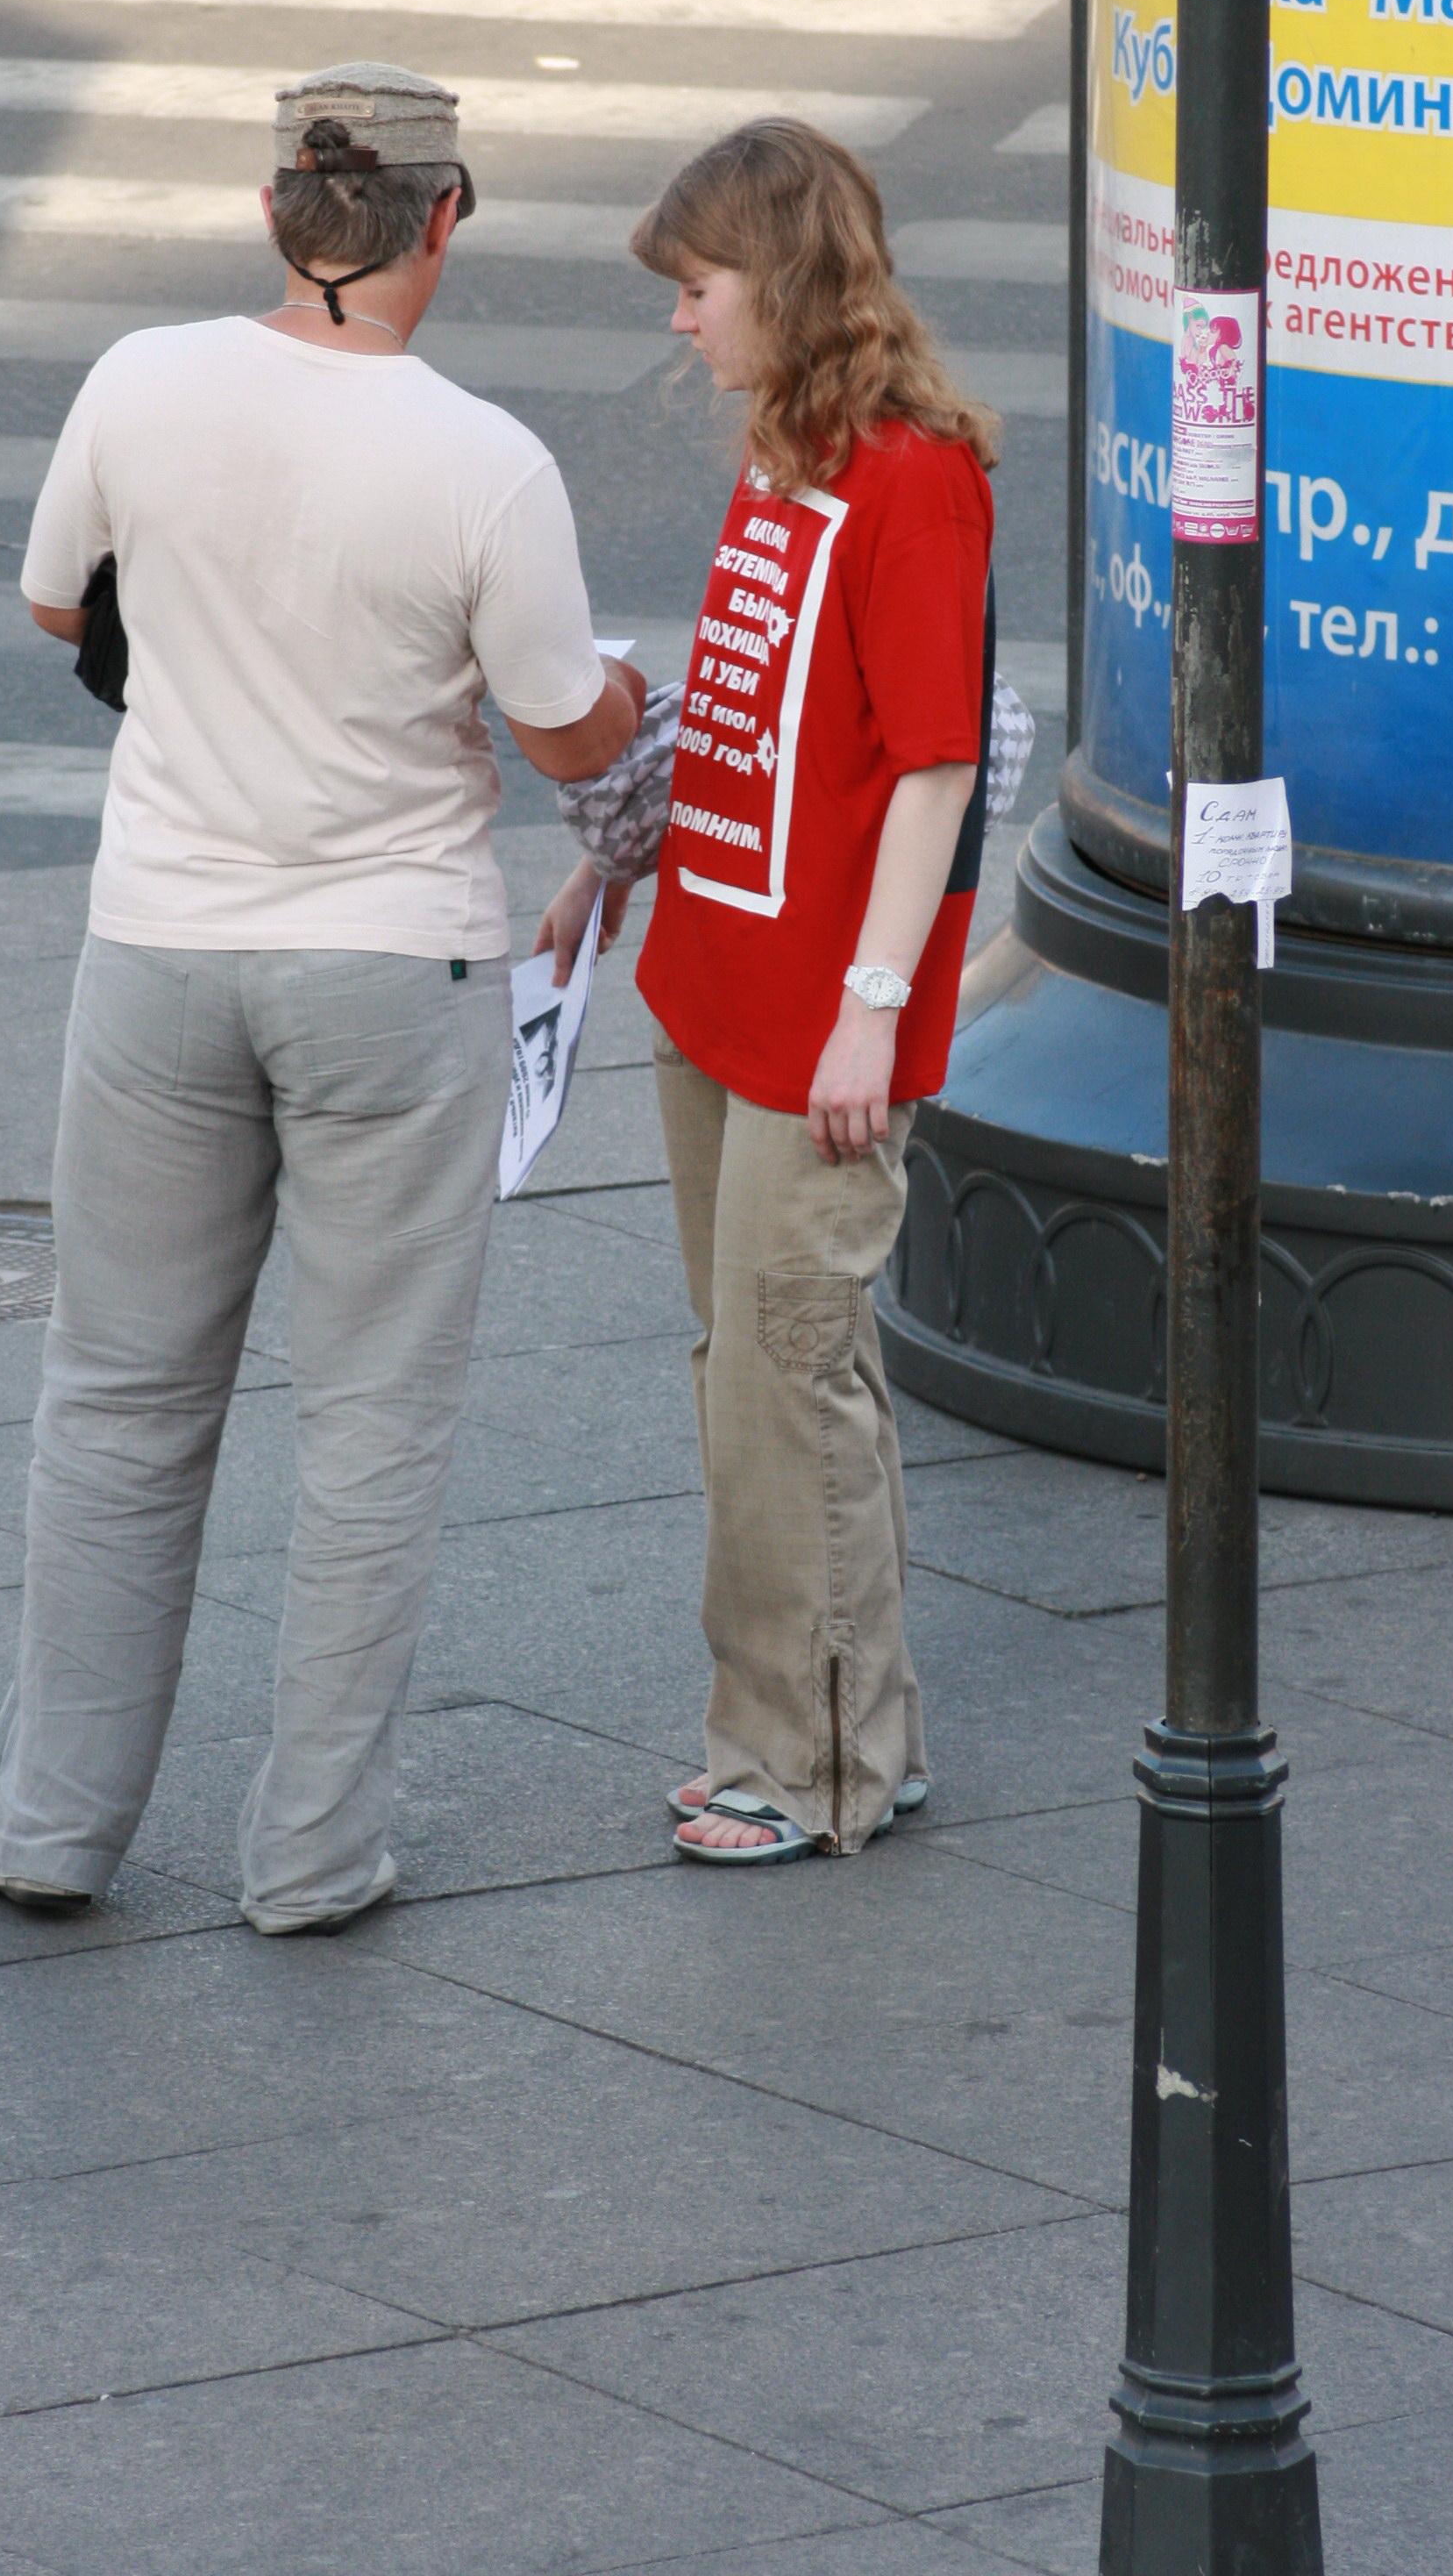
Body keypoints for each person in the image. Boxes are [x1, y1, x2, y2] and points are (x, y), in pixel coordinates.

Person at [0, 64, 642, 1933]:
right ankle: (314, 1855)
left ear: (279, 213)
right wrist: (615, 701)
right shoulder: (485, 460)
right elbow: (562, 717)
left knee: (112, 1396)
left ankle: (48, 1823)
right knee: (368, 1420)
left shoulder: (137, 380)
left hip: (158, 946)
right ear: (446, 218)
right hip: (390, 963)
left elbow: (54, 605)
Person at [537, 120, 997, 1864]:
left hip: (817, 1022)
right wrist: (616, 859)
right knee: (776, 1365)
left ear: (784, 283)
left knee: (778, 1385)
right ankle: (850, 1720)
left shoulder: (912, 478)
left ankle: (800, 1761)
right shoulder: (790, 446)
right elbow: (749, 719)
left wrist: (875, 1005)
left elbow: (936, 765)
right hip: (719, 978)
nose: (683, 321)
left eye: (701, 285)